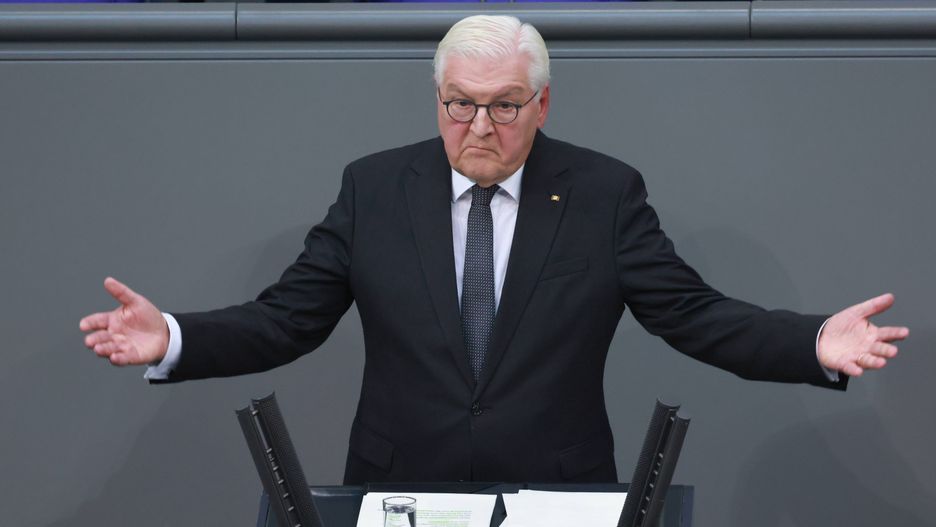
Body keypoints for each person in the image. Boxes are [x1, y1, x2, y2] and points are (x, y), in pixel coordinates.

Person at [80, 15, 908, 484]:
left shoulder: (602, 193)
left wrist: (812, 343)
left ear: (543, 102)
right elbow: (285, 320)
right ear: (436, 96)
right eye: (460, 104)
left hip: (555, 491)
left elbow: (694, 316)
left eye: (504, 106)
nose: (479, 127)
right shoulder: (375, 188)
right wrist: (175, 337)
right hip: (400, 487)